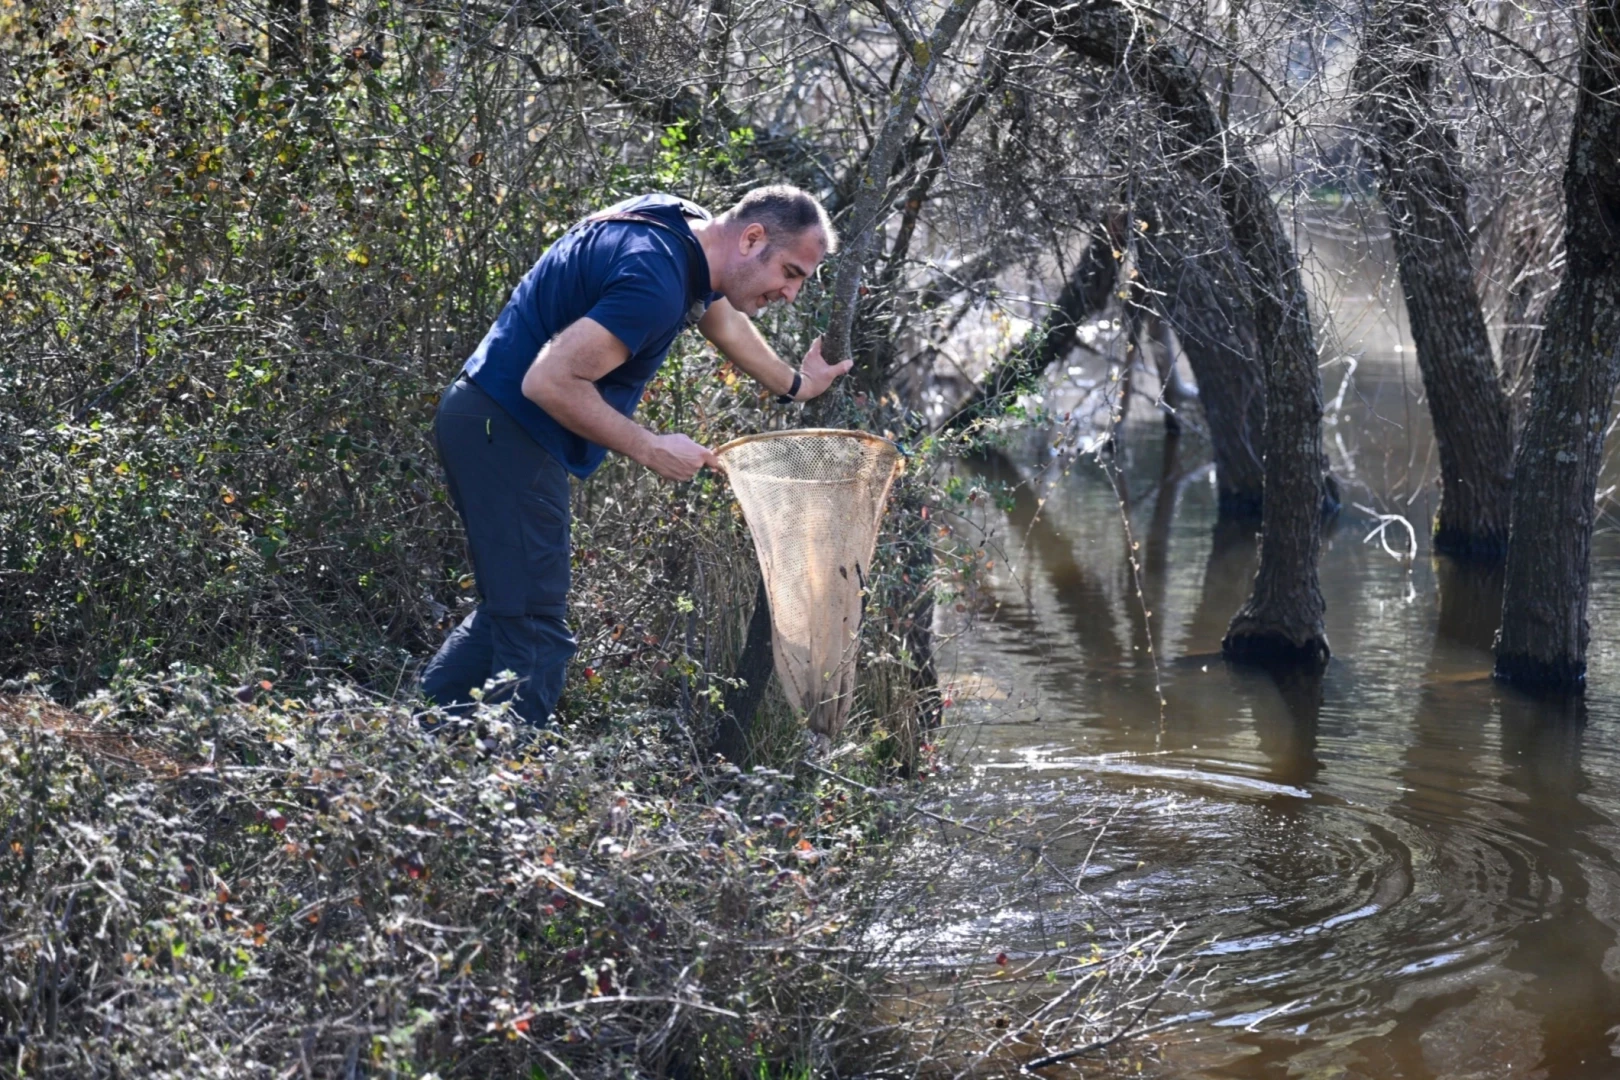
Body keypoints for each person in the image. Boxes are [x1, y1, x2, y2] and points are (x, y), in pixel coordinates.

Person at [420, 185, 849, 727]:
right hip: (504, 429)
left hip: (482, 419)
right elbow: (549, 381)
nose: (790, 293)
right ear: (752, 238)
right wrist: (650, 447)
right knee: (534, 630)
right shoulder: (654, 280)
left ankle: (415, 747)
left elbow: (720, 318)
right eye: (790, 273)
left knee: (511, 612)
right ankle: (499, 787)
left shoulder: (682, 227)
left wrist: (796, 384)